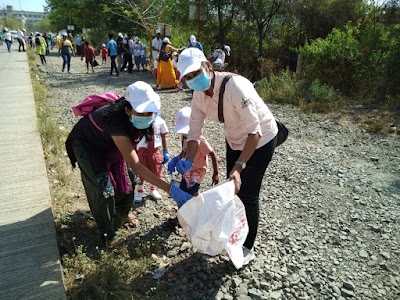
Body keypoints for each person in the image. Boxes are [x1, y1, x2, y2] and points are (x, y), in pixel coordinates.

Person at [175, 48, 279, 265]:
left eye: (195, 73)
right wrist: (187, 161)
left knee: (248, 193)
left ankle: (247, 246)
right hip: (234, 138)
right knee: (234, 188)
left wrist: (239, 167)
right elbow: (194, 133)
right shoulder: (197, 95)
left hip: (261, 139)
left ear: (208, 66)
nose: (192, 80)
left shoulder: (235, 86)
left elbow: (255, 132)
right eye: (188, 77)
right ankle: (234, 233)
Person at [65, 81, 192, 246]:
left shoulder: (143, 120)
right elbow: (136, 165)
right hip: (88, 146)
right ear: (127, 110)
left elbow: (136, 151)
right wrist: (170, 189)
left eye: (149, 113)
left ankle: (121, 216)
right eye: (141, 112)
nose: (147, 117)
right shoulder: (114, 121)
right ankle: (107, 234)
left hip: (111, 145)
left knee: (128, 183)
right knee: (104, 189)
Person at [168, 107, 219, 196]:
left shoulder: (201, 141)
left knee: (190, 191)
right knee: (186, 189)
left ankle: (194, 206)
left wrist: (216, 173)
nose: (185, 135)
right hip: (188, 169)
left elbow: (212, 154)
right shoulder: (184, 137)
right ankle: (193, 205)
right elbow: (184, 151)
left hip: (198, 170)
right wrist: (176, 159)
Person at [134, 113, 170, 202]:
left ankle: (153, 189)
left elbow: (163, 136)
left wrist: (165, 150)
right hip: (142, 149)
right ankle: (139, 190)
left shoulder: (160, 121)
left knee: (156, 170)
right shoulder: (140, 120)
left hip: (154, 150)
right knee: (140, 170)